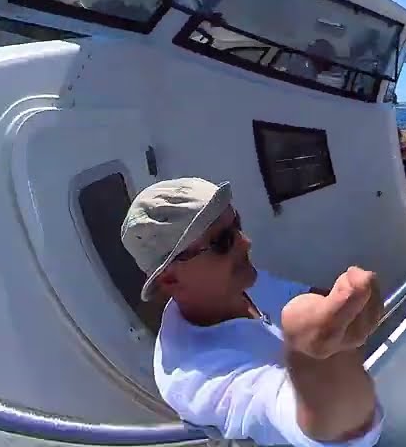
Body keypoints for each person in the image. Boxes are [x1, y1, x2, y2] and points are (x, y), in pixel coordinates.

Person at [121, 178, 384, 447]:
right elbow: (331, 432)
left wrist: (342, 310)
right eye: (223, 242)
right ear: (169, 279)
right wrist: (317, 352)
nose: (245, 243)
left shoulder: (240, 282)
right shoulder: (192, 377)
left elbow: (304, 298)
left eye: (237, 225)